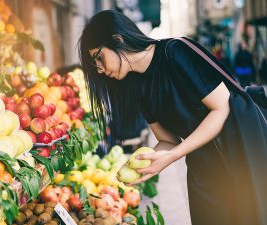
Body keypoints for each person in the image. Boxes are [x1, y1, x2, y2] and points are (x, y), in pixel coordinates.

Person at [78, 10, 267, 225]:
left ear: (117, 39)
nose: (100, 69)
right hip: (204, 168)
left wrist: (174, 154)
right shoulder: (139, 87)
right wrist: (144, 164)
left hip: (241, 151)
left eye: (98, 57)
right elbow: (168, 140)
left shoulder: (175, 52)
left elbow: (221, 109)